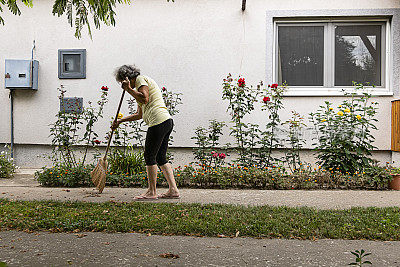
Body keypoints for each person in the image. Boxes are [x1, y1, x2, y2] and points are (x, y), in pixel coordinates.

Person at [112, 65, 180, 200]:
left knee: (149, 156)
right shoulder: (137, 87)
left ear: (127, 77)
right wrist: (120, 121)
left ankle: (151, 192)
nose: (123, 85)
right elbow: (139, 114)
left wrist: (128, 90)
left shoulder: (140, 80)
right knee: (160, 157)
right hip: (166, 121)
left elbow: (145, 98)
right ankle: (173, 190)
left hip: (158, 122)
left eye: (122, 81)